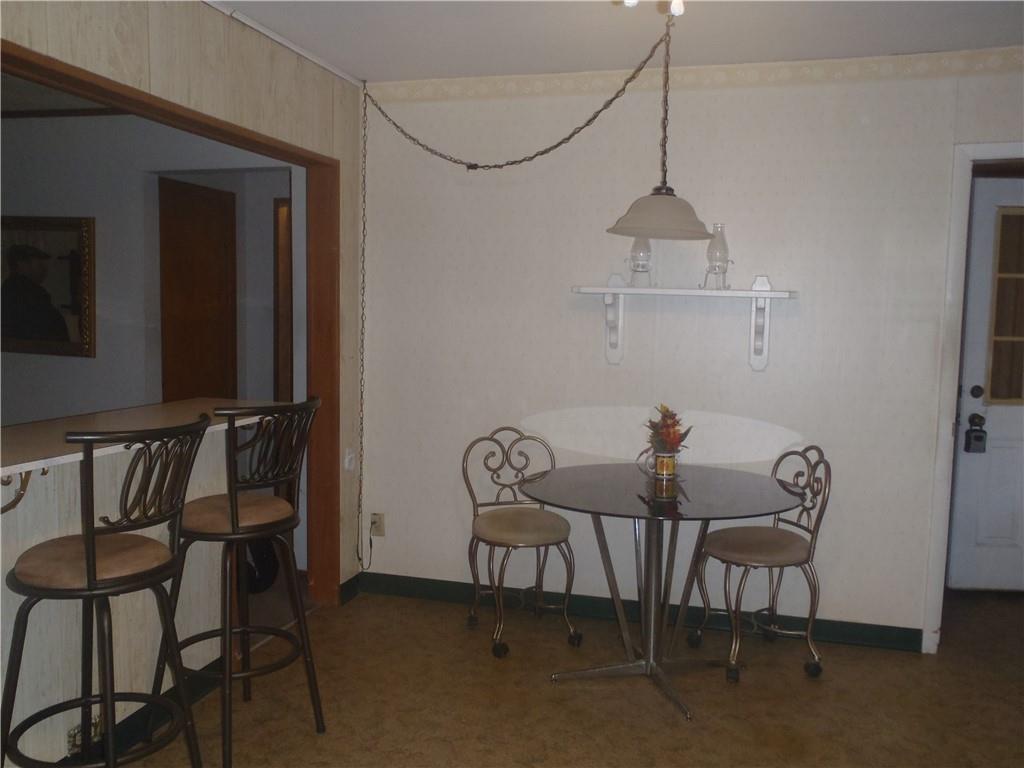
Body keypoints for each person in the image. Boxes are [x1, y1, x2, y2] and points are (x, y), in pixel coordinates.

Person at [2, 244, 70, 342]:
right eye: (39, 264)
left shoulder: (15, 289)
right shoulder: (25, 293)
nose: (44, 270)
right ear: (21, 264)